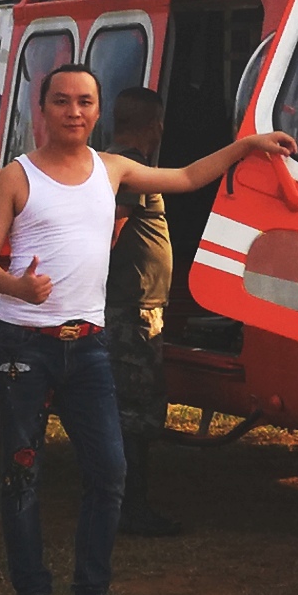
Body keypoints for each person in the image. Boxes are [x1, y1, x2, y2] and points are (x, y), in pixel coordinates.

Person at [0, 62, 292, 595]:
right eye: (63, 101)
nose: (74, 112)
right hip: (25, 344)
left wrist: (247, 145)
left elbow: (190, 177)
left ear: (98, 111)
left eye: (85, 102)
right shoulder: (15, 178)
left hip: (88, 346)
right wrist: (19, 286)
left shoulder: (113, 170)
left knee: (110, 470)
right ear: (42, 110)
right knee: (22, 471)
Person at [101, 87, 182, 538]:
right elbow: (109, 231)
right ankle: (130, 508)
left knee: (131, 408)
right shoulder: (129, 171)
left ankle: (126, 504)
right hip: (132, 309)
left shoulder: (114, 164)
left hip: (135, 303)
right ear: (155, 126)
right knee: (136, 411)